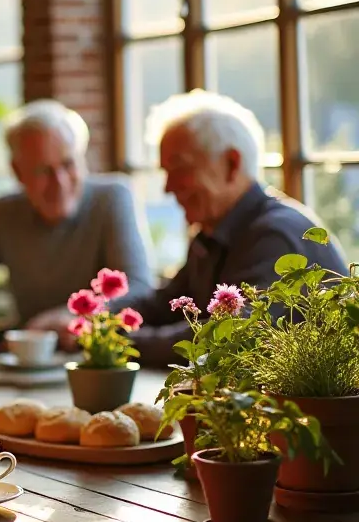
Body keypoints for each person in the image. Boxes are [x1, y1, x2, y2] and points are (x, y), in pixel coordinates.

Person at [125, 90, 347, 365]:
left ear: (231, 164)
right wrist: (96, 322)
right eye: (165, 172)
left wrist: (122, 343)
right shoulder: (211, 235)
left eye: (179, 169)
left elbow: (228, 337)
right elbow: (162, 305)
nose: (168, 187)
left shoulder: (275, 235)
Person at [0, 99, 153, 345]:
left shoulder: (113, 198)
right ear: (18, 172)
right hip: (29, 362)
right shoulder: (5, 212)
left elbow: (140, 290)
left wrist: (73, 316)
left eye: (68, 164)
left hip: (98, 358)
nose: (60, 182)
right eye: (43, 171)